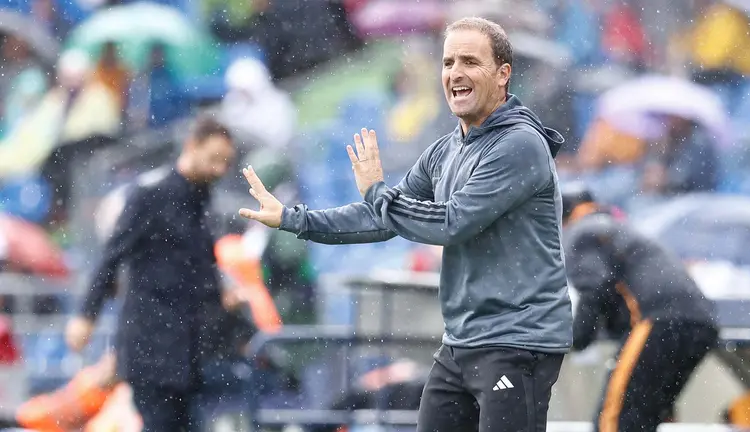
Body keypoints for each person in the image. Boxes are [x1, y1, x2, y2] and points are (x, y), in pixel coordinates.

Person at [239, 17, 573, 432]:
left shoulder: (520, 145)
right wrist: (294, 219)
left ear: (503, 74)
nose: (455, 72)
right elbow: (384, 219)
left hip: (516, 341)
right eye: (448, 62)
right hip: (463, 341)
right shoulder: (444, 150)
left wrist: (378, 192)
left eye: (470, 61)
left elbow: (453, 222)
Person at [65, 114, 255, 431]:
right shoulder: (150, 196)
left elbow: (199, 271)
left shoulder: (202, 203)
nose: (219, 170)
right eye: (213, 159)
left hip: (189, 352)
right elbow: (112, 257)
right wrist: (86, 315)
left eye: (226, 162)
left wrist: (226, 304)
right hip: (152, 352)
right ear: (191, 147)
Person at [560, 182, 719, 432]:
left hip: (659, 321)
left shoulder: (581, 231)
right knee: (642, 420)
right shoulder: (616, 227)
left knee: (613, 421)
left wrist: (575, 338)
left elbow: (596, 287)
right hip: (698, 323)